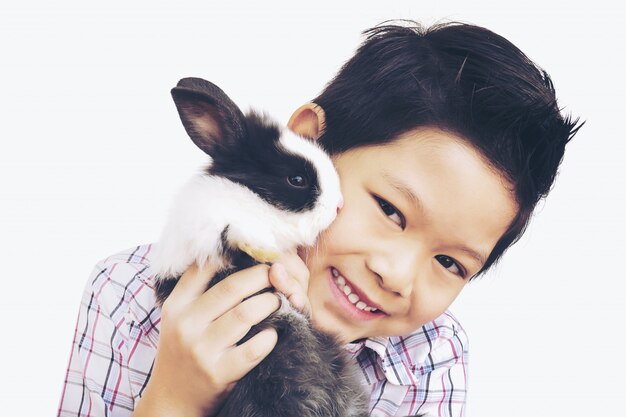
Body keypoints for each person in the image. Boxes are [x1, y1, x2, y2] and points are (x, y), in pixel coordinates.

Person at [56, 21, 581, 417]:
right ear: (309, 145)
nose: (396, 275)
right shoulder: (126, 295)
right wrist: (171, 397)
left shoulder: (428, 359)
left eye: (449, 261)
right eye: (390, 210)